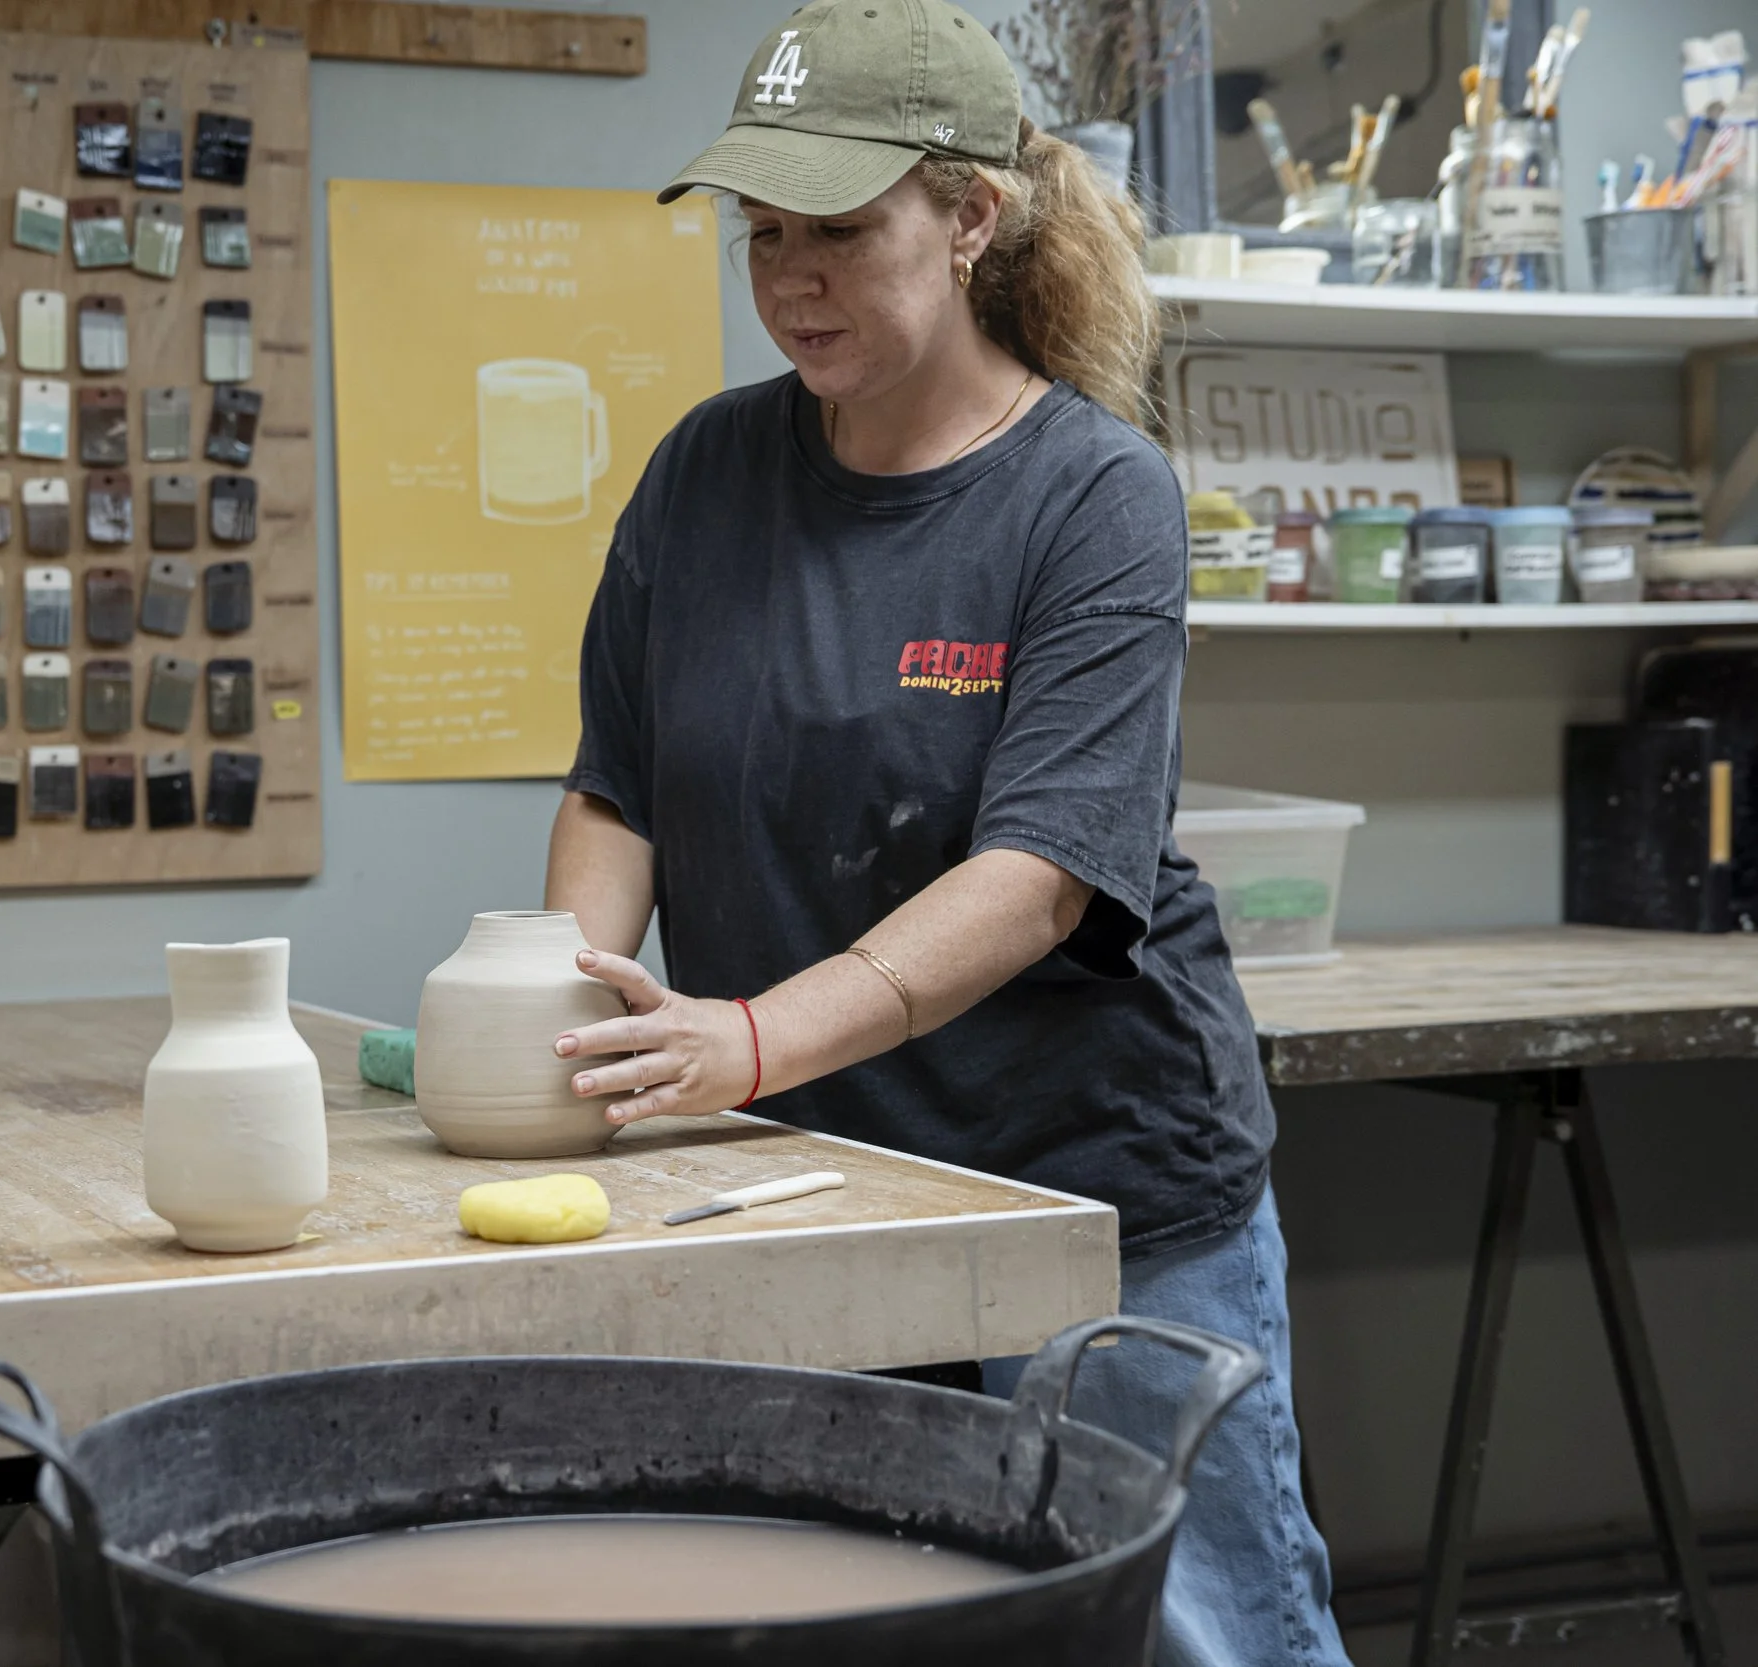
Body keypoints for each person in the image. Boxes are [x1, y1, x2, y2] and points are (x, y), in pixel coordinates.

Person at [539, 3, 1353, 1663]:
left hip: (1099, 1195)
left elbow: (1034, 879)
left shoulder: (1092, 498)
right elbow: (618, 783)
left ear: (971, 216)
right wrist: (562, 998)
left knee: (1197, 1636)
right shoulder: (703, 475)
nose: (790, 281)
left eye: (838, 232)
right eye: (765, 235)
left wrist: (752, 1033)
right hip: (823, 1185)